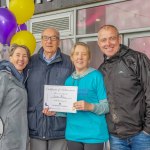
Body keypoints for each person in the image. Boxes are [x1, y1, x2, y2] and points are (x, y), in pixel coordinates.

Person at [98, 25, 150, 150]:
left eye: (112, 38)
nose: (108, 43)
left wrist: (148, 129)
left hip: (141, 136)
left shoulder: (137, 59)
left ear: (119, 39)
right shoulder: (101, 70)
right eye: (104, 40)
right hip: (116, 138)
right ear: (99, 43)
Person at [25, 27, 74, 150]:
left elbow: (76, 90)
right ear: (41, 41)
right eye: (46, 38)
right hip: (35, 125)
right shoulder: (30, 62)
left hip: (59, 126)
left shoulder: (69, 62)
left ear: (59, 41)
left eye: (53, 38)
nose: (49, 41)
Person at [65, 42, 109, 150]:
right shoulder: (68, 81)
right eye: (77, 54)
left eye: (84, 54)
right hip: (73, 135)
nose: (80, 57)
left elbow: (106, 106)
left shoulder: (96, 76)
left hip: (94, 135)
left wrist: (89, 106)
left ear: (89, 58)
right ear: (72, 57)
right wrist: (54, 112)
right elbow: (66, 108)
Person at [0, 44, 30, 150]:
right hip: (6, 137)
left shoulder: (22, 79)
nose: (21, 59)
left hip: (21, 135)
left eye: (25, 56)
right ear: (10, 57)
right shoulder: (3, 76)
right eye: (17, 55)